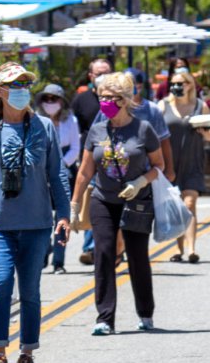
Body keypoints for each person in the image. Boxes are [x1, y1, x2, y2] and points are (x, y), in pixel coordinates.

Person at [0, 64, 73, 363]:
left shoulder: (43, 126)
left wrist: (64, 215)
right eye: (16, 84)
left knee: (29, 290)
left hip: (37, 223)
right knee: (1, 283)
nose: (23, 89)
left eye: (27, 84)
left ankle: (26, 354)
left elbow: (57, 174)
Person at [70, 72, 166, 335]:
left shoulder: (143, 129)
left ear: (124, 100)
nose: (105, 102)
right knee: (103, 254)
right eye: (101, 97)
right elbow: (85, 171)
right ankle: (105, 318)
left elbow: (159, 166)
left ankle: (145, 313)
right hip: (103, 198)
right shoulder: (97, 130)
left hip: (136, 200)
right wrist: (75, 205)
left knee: (137, 257)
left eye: (110, 98)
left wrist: (140, 183)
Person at [160, 69, 210, 263]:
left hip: (193, 162)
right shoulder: (163, 106)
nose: (177, 87)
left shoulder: (200, 106)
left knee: (189, 204)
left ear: (190, 84)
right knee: (175, 207)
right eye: (173, 83)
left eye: (181, 83)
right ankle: (178, 248)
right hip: (169, 164)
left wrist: (203, 131)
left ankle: (191, 249)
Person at [71, 58, 113, 264]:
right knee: (93, 201)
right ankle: (91, 247)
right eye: (99, 73)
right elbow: (74, 129)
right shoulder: (81, 100)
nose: (103, 77)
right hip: (91, 157)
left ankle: (106, 246)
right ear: (91, 77)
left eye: (107, 72)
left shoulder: (118, 99)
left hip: (116, 158)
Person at [37, 81, 80, 273]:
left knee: (62, 217)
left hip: (65, 168)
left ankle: (59, 262)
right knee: (43, 214)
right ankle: (44, 252)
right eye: (46, 98)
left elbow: (75, 148)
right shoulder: (36, 120)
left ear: (61, 102)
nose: (50, 102)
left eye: (54, 98)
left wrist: (59, 165)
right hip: (41, 171)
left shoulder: (70, 120)